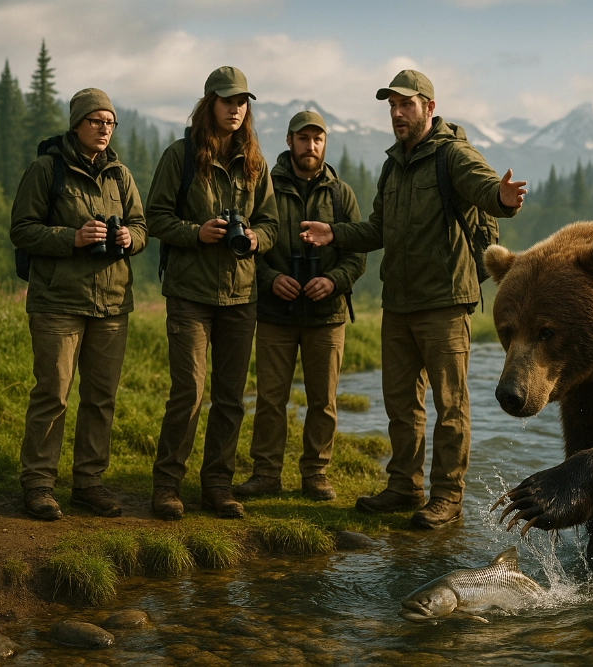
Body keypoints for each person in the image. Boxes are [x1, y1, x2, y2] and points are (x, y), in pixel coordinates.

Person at [300, 70, 527, 528]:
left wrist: (503, 199)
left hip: (444, 303)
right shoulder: (392, 165)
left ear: (429, 105)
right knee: (401, 404)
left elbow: (487, 191)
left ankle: (447, 497)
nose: (397, 113)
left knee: (450, 407)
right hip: (397, 303)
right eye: (392, 106)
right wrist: (335, 233)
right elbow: (378, 230)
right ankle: (404, 486)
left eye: (406, 105)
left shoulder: (453, 155)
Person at [147, 66, 278, 520]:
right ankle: (167, 486)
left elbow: (272, 224)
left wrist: (259, 238)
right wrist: (196, 232)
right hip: (189, 293)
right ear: (209, 104)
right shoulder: (180, 157)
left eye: (243, 102)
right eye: (228, 101)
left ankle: (218, 486)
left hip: (241, 297)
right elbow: (156, 218)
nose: (237, 109)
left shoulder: (256, 163)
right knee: (189, 391)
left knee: (230, 398)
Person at [10, 88, 148, 520]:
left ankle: (89, 483)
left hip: (111, 304)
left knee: (101, 397)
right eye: (96, 121)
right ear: (77, 124)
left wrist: (130, 238)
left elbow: (142, 225)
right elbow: (22, 229)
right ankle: (38, 484)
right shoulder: (46, 169)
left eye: (110, 122)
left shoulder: (121, 175)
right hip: (57, 303)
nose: (104, 128)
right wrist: (72, 237)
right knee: (53, 393)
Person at [233, 111, 366, 502]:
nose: (311, 146)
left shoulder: (341, 194)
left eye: (318, 139)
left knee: (323, 401)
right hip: (275, 312)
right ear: (289, 140)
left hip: (327, 315)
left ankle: (316, 474)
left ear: (325, 143)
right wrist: (272, 278)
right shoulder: (264, 185)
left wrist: (334, 280)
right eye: (303, 138)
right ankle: (265, 473)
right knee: (271, 399)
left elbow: (356, 254)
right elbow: (248, 245)